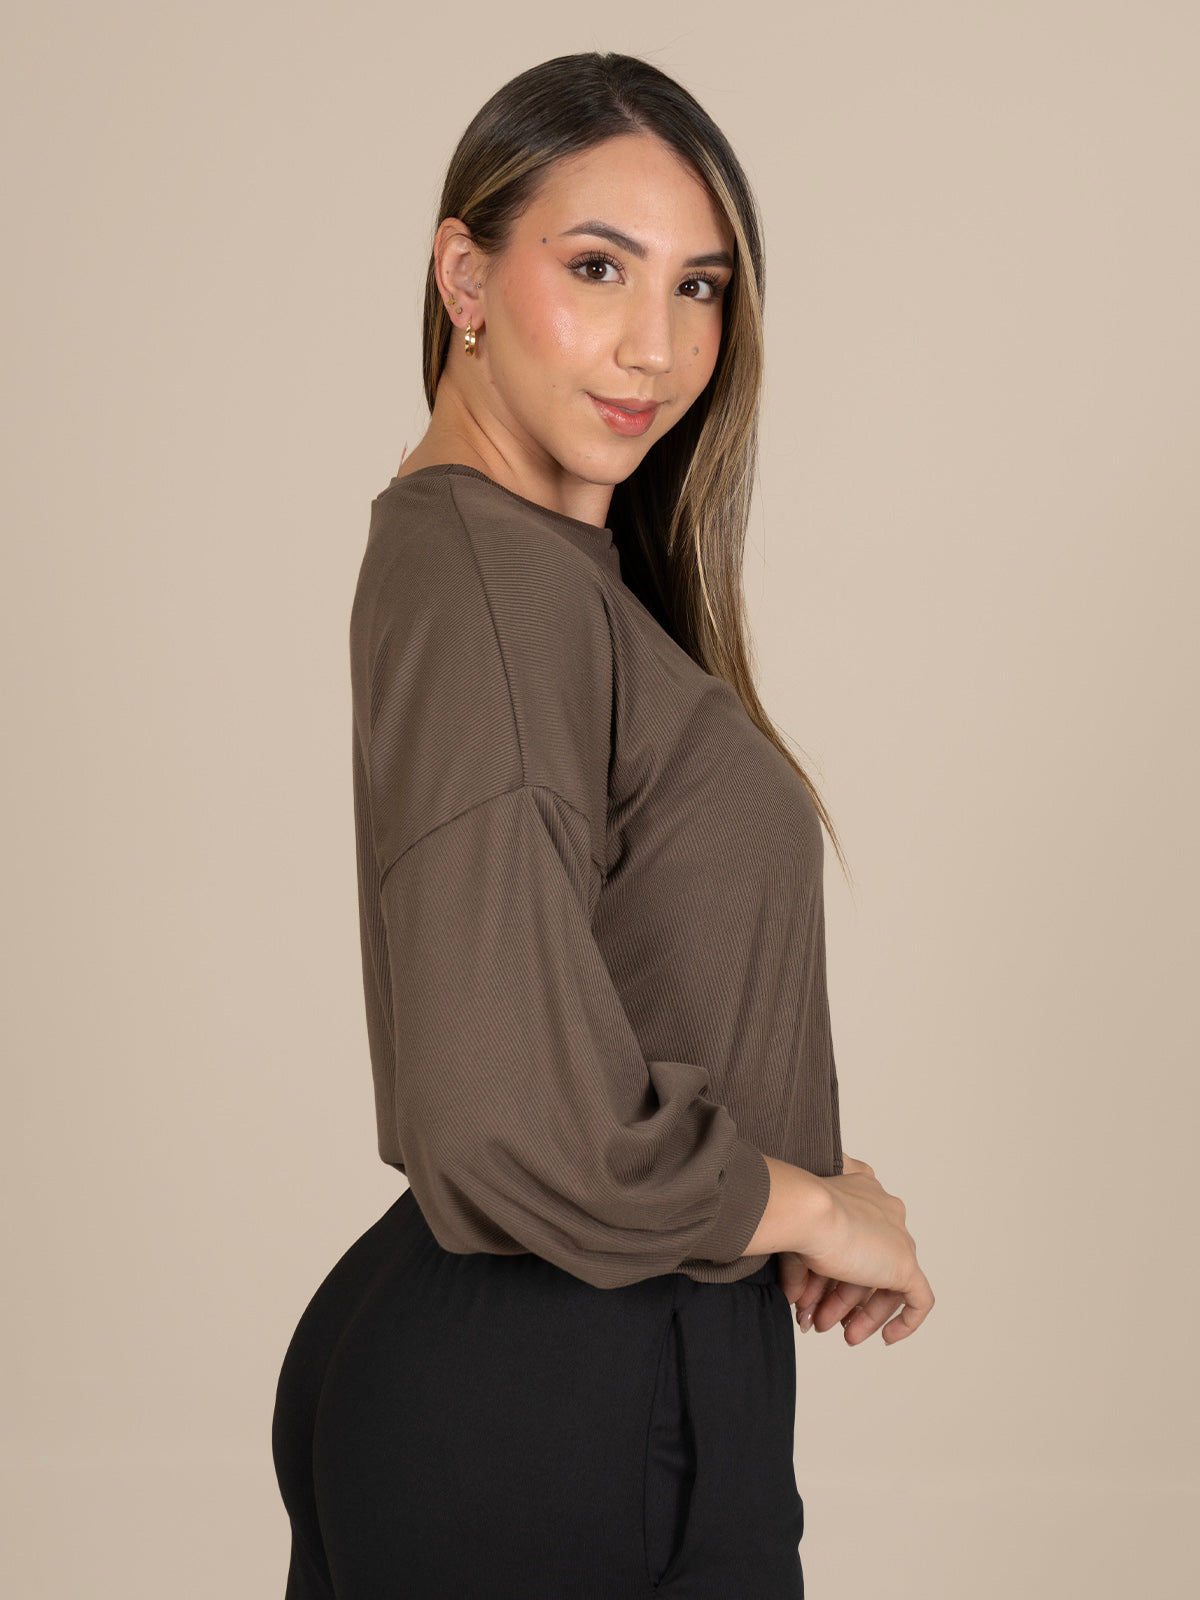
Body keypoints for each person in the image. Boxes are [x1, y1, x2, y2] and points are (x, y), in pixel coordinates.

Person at [271, 49, 934, 1600]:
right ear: (465, 278)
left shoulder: (538, 574)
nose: (659, 344)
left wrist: (788, 1181)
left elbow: (600, 1003)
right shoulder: (494, 586)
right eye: (596, 268)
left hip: (557, 1376)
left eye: (700, 286)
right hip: (565, 1398)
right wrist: (804, 1204)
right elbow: (503, 1115)